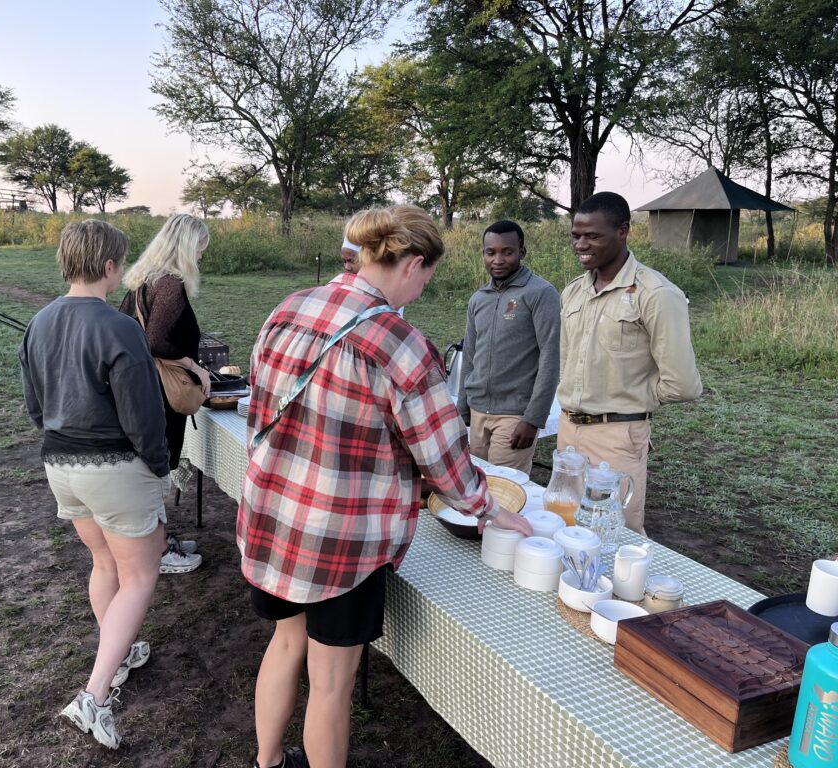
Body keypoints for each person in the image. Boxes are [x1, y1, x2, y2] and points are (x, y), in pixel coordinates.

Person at [238, 205, 532, 768]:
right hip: (342, 542)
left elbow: (260, 405)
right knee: (330, 686)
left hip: (275, 516)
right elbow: (445, 458)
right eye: (425, 278)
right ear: (413, 263)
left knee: (283, 643)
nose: (421, 290)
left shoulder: (288, 307)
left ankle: (268, 761)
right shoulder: (398, 340)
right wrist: (488, 508)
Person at [18, 219, 172, 749]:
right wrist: (160, 465)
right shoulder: (120, 326)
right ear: (110, 265)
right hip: (116, 469)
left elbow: (36, 406)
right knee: (139, 576)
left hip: (60, 466)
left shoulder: (38, 322)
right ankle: (95, 697)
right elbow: (143, 415)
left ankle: (119, 649)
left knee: (104, 563)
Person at [557, 192, 702, 534]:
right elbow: (567, 360)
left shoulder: (656, 293)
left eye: (592, 235)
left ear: (623, 231)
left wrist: (632, 398)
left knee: (612, 535)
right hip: (568, 431)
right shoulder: (573, 292)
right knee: (565, 526)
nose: (581, 244)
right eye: (576, 235)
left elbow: (683, 384)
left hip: (618, 437)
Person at [119, 214, 210, 575]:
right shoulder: (171, 283)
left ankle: (159, 540)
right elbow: (158, 341)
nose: (203, 255)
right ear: (188, 246)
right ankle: (157, 551)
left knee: (153, 465)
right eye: (201, 247)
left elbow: (126, 325)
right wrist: (196, 366)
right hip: (161, 390)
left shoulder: (143, 281)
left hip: (142, 384)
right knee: (158, 466)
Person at [457, 219, 560, 476]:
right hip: (478, 410)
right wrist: (463, 408)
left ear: (522, 252)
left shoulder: (540, 293)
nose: (498, 259)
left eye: (508, 251)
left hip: (515, 415)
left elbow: (550, 355)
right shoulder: (478, 298)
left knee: (504, 492)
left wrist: (533, 419)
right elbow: (469, 354)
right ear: (483, 254)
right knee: (476, 487)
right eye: (491, 252)